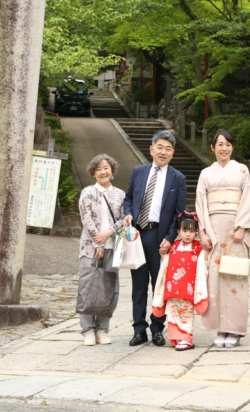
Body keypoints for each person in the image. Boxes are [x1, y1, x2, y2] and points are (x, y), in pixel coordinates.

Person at [196, 129, 250, 348]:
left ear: (232, 148)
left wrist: (242, 227)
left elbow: (249, 199)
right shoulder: (206, 173)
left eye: (228, 144)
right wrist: (203, 233)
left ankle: (234, 330)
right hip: (214, 230)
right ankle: (220, 329)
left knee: (235, 278)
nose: (224, 148)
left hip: (235, 231)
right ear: (212, 147)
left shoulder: (242, 170)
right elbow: (200, 204)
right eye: (220, 144)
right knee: (213, 281)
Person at [123, 129, 187, 347]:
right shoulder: (138, 172)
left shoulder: (178, 178)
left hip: (160, 237)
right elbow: (128, 198)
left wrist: (170, 238)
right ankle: (139, 329)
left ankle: (157, 328)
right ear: (151, 149)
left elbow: (179, 214)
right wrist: (128, 214)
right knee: (138, 284)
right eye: (160, 147)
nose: (163, 151)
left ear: (172, 153)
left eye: (168, 149)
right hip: (138, 234)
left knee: (159, 285)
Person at [77, 153, 126, 346]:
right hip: (90, 247)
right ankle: (88, 330)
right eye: (98, 169)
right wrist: (98, 242)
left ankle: (102, 329)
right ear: (93, 173)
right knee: (88, 287)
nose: (103, 171)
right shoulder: (87, 192)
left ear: (112, 171)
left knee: (109, 289)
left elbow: (124, 218)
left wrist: (109, 233)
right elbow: (85, 217)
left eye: (106, 167)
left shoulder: (120, 194)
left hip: (113, 247)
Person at [151, 212, 208, 350]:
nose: (188, 234)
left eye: (192, 231)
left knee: (186, 312)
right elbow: (166, 263)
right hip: (173, 286)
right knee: (173, 313)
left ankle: (187, 338)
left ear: (196, 232)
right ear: (178, 231)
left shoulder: (197, 247)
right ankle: (176, 338)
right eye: (185, 231)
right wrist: (163, 254)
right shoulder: (174, 245)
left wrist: (205, 250)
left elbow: (204, 262)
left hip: (188, 287)